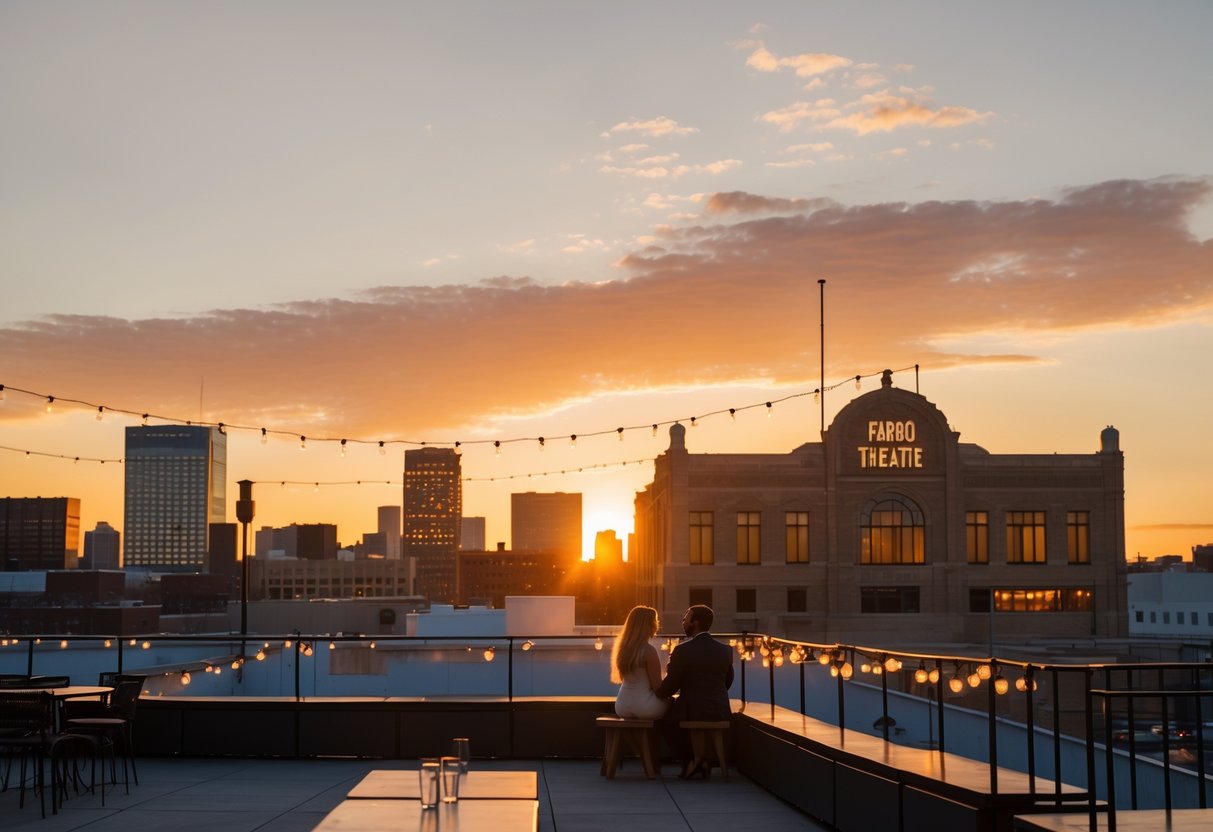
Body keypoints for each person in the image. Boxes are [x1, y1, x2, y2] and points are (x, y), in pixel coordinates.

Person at [655, 604, 734, 779]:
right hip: (720, 710)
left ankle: (692, 761)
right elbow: (727, 682)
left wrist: (656, 693)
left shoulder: (682, 650)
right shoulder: (725, 650)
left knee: (665, 722)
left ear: (695, 623)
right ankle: (701, 760)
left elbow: (671, 687)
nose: (683, 622)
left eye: (686, 618)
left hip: (693, 710)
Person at [610, 605, 669, 719]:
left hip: (622, 707)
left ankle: (637, 737)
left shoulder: (622, 650)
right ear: (650, 626)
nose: (656, 625)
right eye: (655, 622)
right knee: (672, 703)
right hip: (645, 708)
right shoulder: (648, 651)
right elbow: (657, 688)